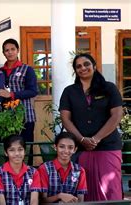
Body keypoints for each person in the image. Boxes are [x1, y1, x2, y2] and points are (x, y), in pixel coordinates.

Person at [59, 53, 123, 201]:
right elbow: (65, 118)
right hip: (82, 149)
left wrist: (96, 139)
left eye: (86, 64)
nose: (83, 68)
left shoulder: (109, 88)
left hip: (107, 147)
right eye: (78, 66)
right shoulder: (70, 91)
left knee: (110, 190)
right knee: (84, 190)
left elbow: (117, 115)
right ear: (75, 70)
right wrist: (81, 139)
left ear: (94, 66)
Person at [0, 38, 38, 165]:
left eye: (12, 49)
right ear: (3, 53)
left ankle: (28, 176)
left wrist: (12, 94)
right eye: (7, 50)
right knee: (8, 146)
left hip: (25, 115)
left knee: (24, 147)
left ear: (18, 50)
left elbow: (33, 91)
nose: (10, 52)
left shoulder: (27, 69)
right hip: (6, 117)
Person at [38, 132, 87, 203]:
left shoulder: (80, 170)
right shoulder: (44, 168)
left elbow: (80, 200)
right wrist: (59, 196)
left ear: (75, 150)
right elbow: (42, 200)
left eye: (70, 147)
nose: (66, 151)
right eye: (62, 146)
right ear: (55, 147)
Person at [0, 135, 41, 205]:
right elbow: (1, 201)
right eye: (12, 150)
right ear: (6, 153)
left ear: (25, 151)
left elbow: (34, 200)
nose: (17, 154)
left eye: (20, 149)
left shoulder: (33, 172)